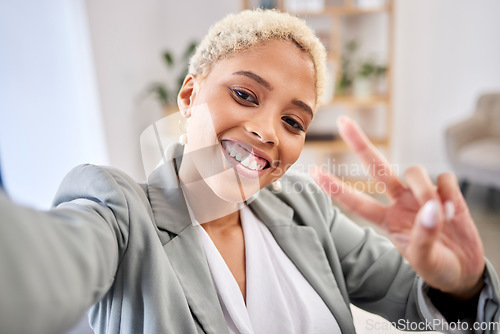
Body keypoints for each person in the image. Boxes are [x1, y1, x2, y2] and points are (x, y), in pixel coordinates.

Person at [0, 9, 499, 334]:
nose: (267, 131)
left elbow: (424, 309)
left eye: (292, 121)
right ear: (190, 96)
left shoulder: (305, 208)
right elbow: (42, 267)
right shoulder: (120, 212)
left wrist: (463, 286)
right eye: (244, 94)